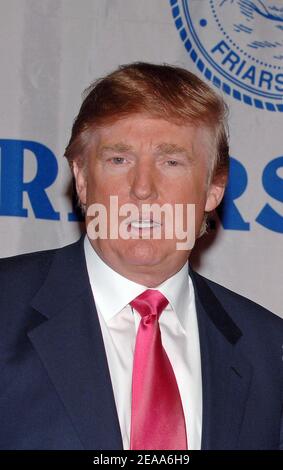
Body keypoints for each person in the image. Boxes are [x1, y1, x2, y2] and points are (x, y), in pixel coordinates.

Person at [1, 62, 283, 450]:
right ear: (82, 179)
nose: (143, 189)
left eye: (171, 161)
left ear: (214, 188)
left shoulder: (270, 352)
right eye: (120, 159)